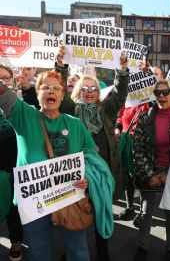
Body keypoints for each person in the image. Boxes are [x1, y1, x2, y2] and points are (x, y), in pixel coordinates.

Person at [0, 69, 102, 261]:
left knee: (79, 251)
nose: (51, 92)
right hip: (34, 200)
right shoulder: (24, 115)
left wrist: (87, 176)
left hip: (70, 197)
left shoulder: (74, 124)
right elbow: (3, 94)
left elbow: (92, 155)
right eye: (45, 87)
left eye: (56, 88)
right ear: (37, 93)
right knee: (39, 253)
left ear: (63, 95)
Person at [71, 52, 129, 261]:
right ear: (78, 91)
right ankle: (76, 253)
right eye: (84, 88)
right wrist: (60, 67)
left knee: (101, 213)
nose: (89, 91)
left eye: (94, 88)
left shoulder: (105, 110)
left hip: (103, 174)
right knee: (77, 215)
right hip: (78, 176)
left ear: (98, 93)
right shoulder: (70, 111)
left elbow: (120, 94)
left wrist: (121, 70)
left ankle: (102, 254)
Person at [133, 79, 170, 261]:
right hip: (149, 170)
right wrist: (150, 175)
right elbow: (139, 148)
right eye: (157, 92)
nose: (161, 96)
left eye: (165, 92)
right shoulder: (144, 118)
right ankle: (143, 246)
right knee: (145, 212)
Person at [0, 64, 40, 261]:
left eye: (5, 78)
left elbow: (37, 113)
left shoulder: (20, 103)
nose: (1, 82)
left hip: (17, 163)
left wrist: (28, 90)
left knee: (14, 207)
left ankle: (16, 240)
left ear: (13, 81)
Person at [116, 103, 150, 221]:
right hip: (127, 145)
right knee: (128, 178)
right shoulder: (127, 101)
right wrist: (117, 129)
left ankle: (143, 212)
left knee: (142, 179)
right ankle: (130, 207)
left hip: (144, 146)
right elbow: (120, 118)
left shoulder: (149, 102)